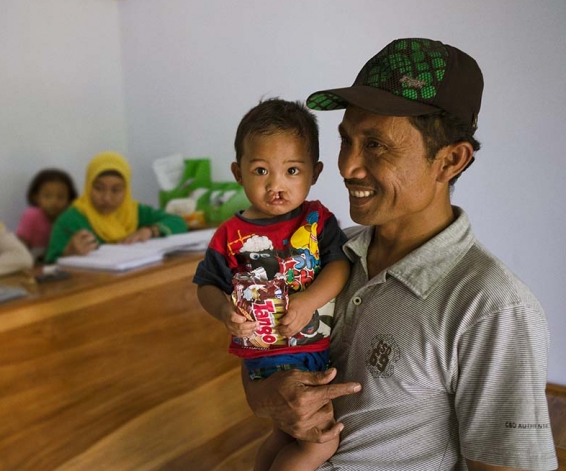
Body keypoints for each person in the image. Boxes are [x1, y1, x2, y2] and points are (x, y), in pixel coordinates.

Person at [242, 38, 558, 470]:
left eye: (375, 145)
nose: (347, 166)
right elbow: (261, 370)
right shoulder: (319, 255)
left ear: (450, 161)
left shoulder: (494, 307)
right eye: (346, 139)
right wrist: (269, 396)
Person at [193, 98, 351, 471]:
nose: (276, 185)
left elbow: (339, 266)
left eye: (292, 171)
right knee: (320, 442)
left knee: (283, 437)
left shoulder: (316, 220)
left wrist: (309, 300)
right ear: (238, 172)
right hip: (264, 358)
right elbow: (206, 285)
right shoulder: (230, 235)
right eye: (261, 170)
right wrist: (223, 311)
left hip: (311, 348)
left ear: (314, 172)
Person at [45, 151, 188, 263]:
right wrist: (69, 253)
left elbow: (178, 222)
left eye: (116, 190)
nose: (107, 198)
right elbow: (48, 266)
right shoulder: (70, 220)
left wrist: (150, 231)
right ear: (88, 187)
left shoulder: (134, 212)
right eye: (99, 188)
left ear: (127, 190)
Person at [16, 168, 78, 262]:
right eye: (47, 196)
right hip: (30, 261)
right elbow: (20, 243)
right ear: (36, 197)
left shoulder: (69, 218)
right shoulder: (32, 215)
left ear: (69, 200)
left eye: (60, 197)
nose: (54, 202)